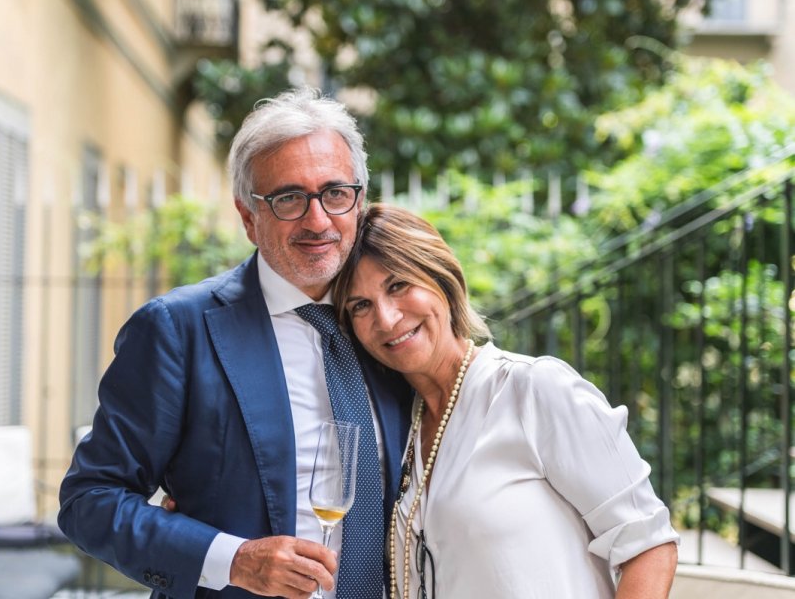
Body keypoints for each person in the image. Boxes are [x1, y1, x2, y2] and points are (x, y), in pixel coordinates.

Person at [58, 88, 411, 599]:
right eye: (289, 198)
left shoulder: (396, 325)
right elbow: (89, 501)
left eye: (335, 193)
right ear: (249, 217)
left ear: (358, 202)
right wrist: (233, 559)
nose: (317, 221)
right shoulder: (178, 330)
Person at [330, 203, 680, 598]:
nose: (388, 318)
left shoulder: (533, 390)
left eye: (398, 285)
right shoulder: (399, 428)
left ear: (441, 279)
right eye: (361, 305)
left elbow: (648, 545)